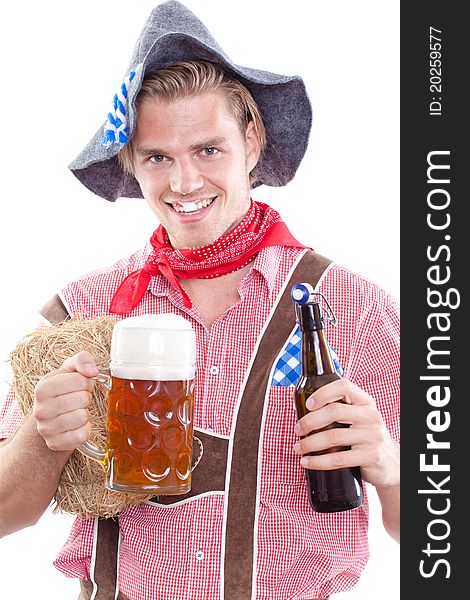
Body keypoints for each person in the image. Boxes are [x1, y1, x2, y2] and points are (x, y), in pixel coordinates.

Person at [0, 2, 399, 599]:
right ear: (132, 163)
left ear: (253, 142)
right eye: (159, 156)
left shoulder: (351, 307)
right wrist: (42, 435)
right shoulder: (85, 310)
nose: (184, 183)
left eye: (208, 150)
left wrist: (389, 470)